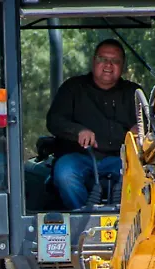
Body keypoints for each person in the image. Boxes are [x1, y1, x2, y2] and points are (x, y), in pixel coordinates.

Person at [46, 39, 142, 210]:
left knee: (143, 175)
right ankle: (84, 219)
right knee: (65, 174)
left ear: (123, 66)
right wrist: (78, 131)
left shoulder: (134, 93)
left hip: (120, 160)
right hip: (80, 157)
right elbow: (54, 121)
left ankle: (126, 224)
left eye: (115, 61)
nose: (108, 65)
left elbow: (153, 127)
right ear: (93, 61)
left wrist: (141, 130)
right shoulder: (73, 88)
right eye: (103, 59)